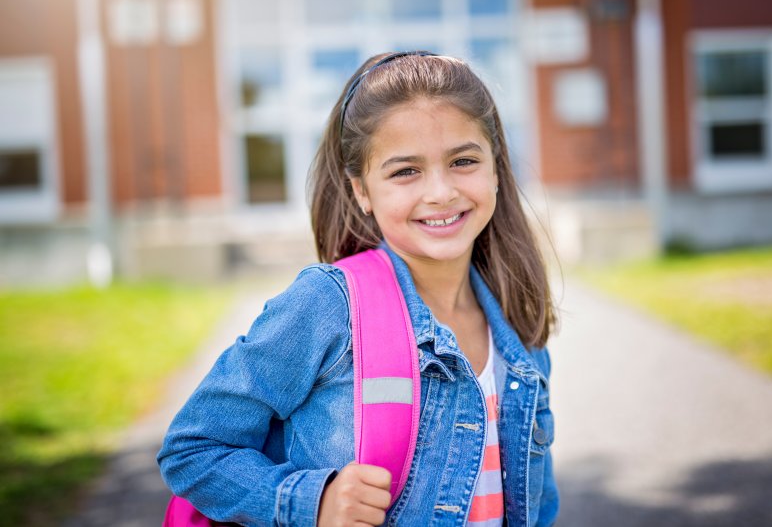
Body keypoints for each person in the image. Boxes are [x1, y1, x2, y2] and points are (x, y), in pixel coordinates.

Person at [158, 51, 558, 526]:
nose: (441, 192)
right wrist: (310, 502)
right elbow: (193, 447)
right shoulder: (328, 306)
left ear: (496, 168)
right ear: (361, 191)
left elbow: (538, 506)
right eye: (405, 171)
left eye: (463, 161)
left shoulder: (517, 331)